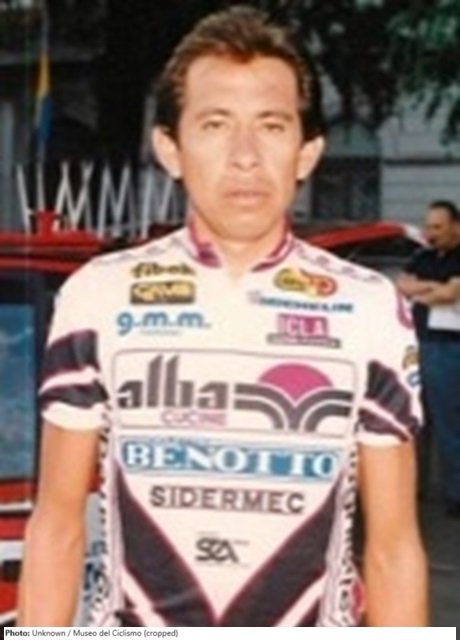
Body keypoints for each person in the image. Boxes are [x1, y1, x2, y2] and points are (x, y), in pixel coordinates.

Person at [18, 5, 427, 627]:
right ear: (170, 148)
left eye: (271, 126)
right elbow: (56, 523)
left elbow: (394, 547)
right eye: (215, 125)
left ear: (307, 152)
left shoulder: (369, 307)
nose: (245, 156)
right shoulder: (98, 295)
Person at [396, 199, 460, 517]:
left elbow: (451, 294)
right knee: (416, 421)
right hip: (419, 342)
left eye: (438, 227)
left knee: (449, 421)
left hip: (449, 346)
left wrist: (421, 293)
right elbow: (401, 285)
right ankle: (415, 487)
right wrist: (433, 289)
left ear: (456, 227)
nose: (431, 233)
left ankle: (455, 493)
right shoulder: (423, 256)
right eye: (429, 226)